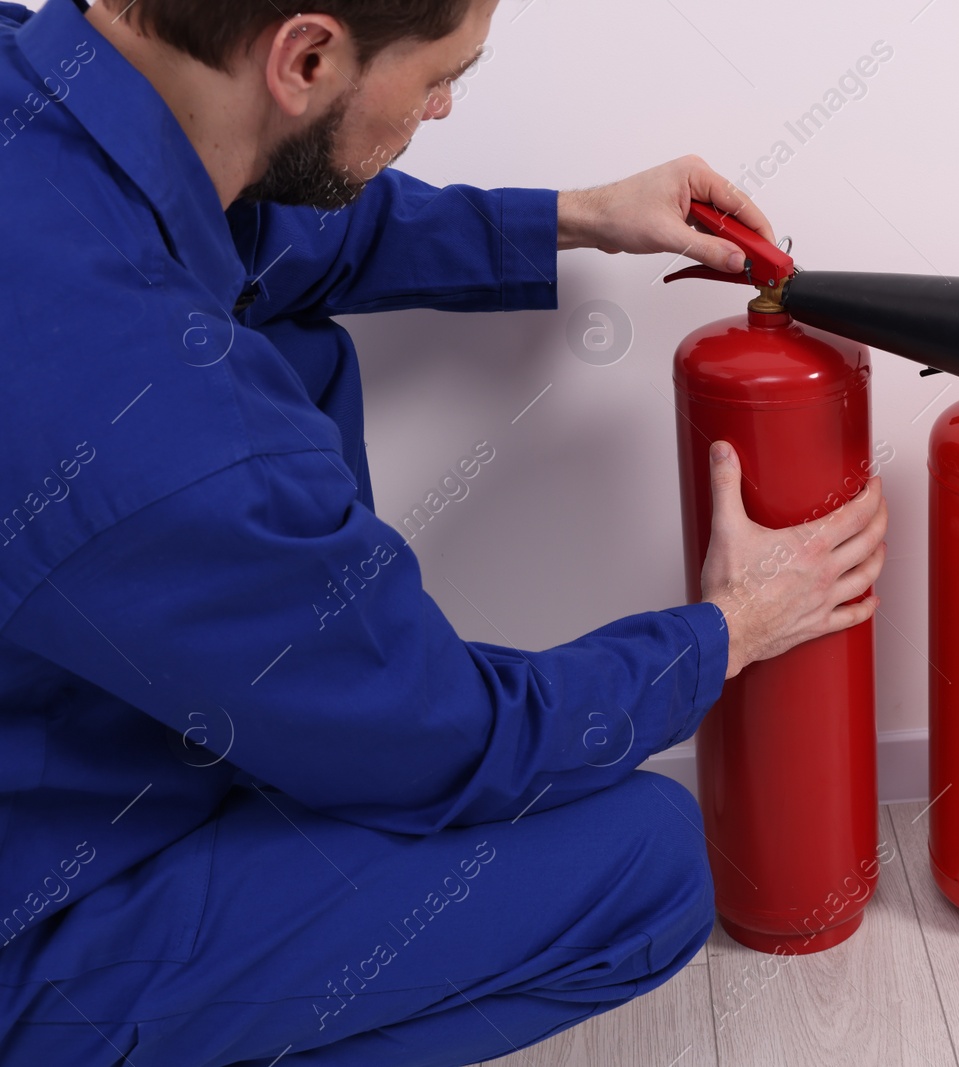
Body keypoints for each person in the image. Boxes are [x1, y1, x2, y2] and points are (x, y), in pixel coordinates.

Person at [0, 0, 888, 1062]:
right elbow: (454, 738)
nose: (446, 103)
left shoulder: (49, 100)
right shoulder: (178, 434)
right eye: (438, 76)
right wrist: (729, 629)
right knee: (646, 865)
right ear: (307, 55)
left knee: (290, 338)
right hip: (35, 922)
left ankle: (291, 728)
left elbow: (278, 228)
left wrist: (578, 214)